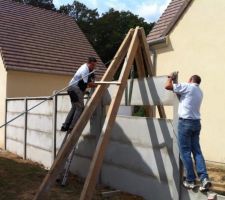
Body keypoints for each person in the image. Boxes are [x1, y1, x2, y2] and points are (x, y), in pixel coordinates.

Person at [165, 73, 211, 191]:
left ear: (191, 80)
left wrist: (170, 78)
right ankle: (204, 178)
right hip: (196, 123)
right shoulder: (199, 91)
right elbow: (182, 97)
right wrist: (176, 84)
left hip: (185, 123)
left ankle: (190, 180)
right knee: (197, 151)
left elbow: (167, 86)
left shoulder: (188, 86)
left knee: (185, 152)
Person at [61, 57, 97, 132]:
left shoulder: (84, 66)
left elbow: (84, 83)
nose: (94, 67)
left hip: (71, 88)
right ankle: (72, 127)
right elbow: (87, 83)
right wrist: (97, 85)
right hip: (75, 88)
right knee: (80, 108)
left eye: (95, 65)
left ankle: (65, 126)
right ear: (89, 63)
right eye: (93, 65)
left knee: (74, 107)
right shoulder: (85, 70)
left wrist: (92, 75)